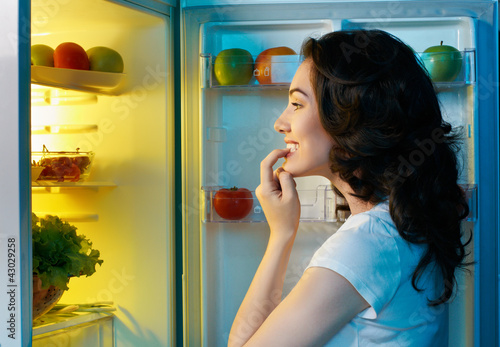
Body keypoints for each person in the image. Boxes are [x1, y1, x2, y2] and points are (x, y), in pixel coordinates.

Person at [227, 29, 471, 346]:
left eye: (296, 104)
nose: (280, 122)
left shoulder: (366, 244)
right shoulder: (398, 224)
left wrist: (281, 236)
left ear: (348, 119)